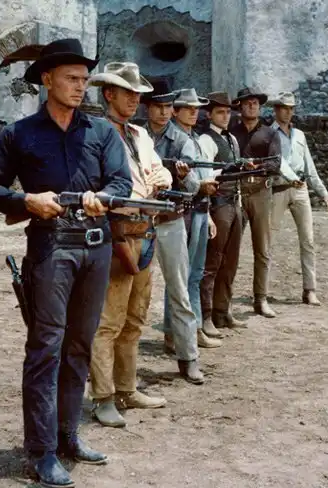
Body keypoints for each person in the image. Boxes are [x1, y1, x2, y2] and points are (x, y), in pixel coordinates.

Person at [0, 39, 132, 488]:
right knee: (46, 348)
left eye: (84, 80)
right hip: (50, 249)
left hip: (96, 247)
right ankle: (41, 452)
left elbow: (121, 182)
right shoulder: (19, 134)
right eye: (71, 79)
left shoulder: (102, 132)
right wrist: (27, 200)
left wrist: (104, 197)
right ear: (47, 79)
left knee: (80, 345)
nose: (80, 87)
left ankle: (68, 436)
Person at [86, 63, 173, 427]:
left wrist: (162, 177)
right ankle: (103, 396)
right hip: (116, 231)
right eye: (128, 93)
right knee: (108, 321)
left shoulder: (140, 134)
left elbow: (160, 170)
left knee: (135, 318)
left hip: (145, 230)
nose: (135, 99)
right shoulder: (95, 132)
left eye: (138, 94)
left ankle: (126, 388)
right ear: (109, 94)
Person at [142, 79, 206, 384]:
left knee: (180, 291)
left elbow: (194, 187)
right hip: (139, 221)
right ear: (148, 107)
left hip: (170, 220)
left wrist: (182, 176)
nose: (164, 112)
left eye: (168, 106)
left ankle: (188, 357)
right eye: (158, 106)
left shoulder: (182, 140)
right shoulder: (136, 136)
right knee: (127, 293)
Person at [267, 92, 328, 305]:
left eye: (291, 108)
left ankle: (310, 289)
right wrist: (292, 178)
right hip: (278, 189)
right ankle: (262, 291)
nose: (288, 112)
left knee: (308, 240)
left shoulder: (300, 136)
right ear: (276, 109)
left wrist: (323, 192)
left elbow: (309, 167)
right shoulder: (268, 134)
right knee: (268, 240)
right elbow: (276, 162)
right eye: (284, 108)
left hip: (301, 190)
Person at [172, 88, 222, 349]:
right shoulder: (176, 139)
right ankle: (183, 332)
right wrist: (199, 186)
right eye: (188, 108)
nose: (194, 112)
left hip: (201, 208)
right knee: (184, 275)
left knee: (195, 273)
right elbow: (185, 178)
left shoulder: (194, 138)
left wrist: (209, 210)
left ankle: (193, 328)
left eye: (196, 109)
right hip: (186, 210)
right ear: (176, 111)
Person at [197, 91, 248, 335]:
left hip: (235, 204)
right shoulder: (206, 140)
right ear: (209, 114)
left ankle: (222, 311)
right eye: (220, 112)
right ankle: (206, 315)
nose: (225, 116)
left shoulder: (232, 139)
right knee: (212, 262)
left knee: (230, 261)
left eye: (228, 112)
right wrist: (208, 212)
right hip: (218, 205)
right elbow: (206, 175)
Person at [229, 86, 282, 318]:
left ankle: (261, 298)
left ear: (260, 107)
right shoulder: (231, 132)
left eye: (255, 103)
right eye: (247, 103)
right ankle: (225, 299)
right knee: (230, 247)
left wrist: (254, 165)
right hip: (237, 191)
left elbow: (275, 164)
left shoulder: (270, 134)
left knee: (262, 248)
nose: (251, 106)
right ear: (240, 106)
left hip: (261, 191)